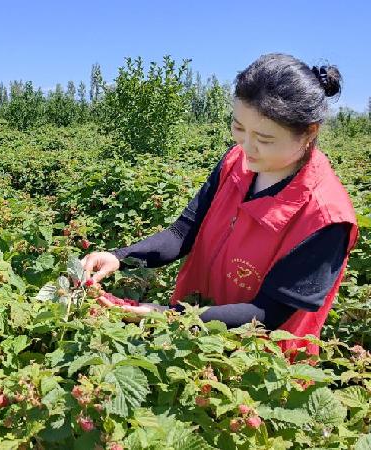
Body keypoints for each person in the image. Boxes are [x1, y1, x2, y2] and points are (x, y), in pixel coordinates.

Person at [83, 53, 358, 357]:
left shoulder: (325, 217)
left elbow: (267, 315)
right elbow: (182, 232)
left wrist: (167, 315)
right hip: (191, 331)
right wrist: (119, 257)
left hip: (257, 364)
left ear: (309, 132)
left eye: (264, 139)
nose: (246, 146)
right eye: (239, 127)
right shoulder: (235, 163)